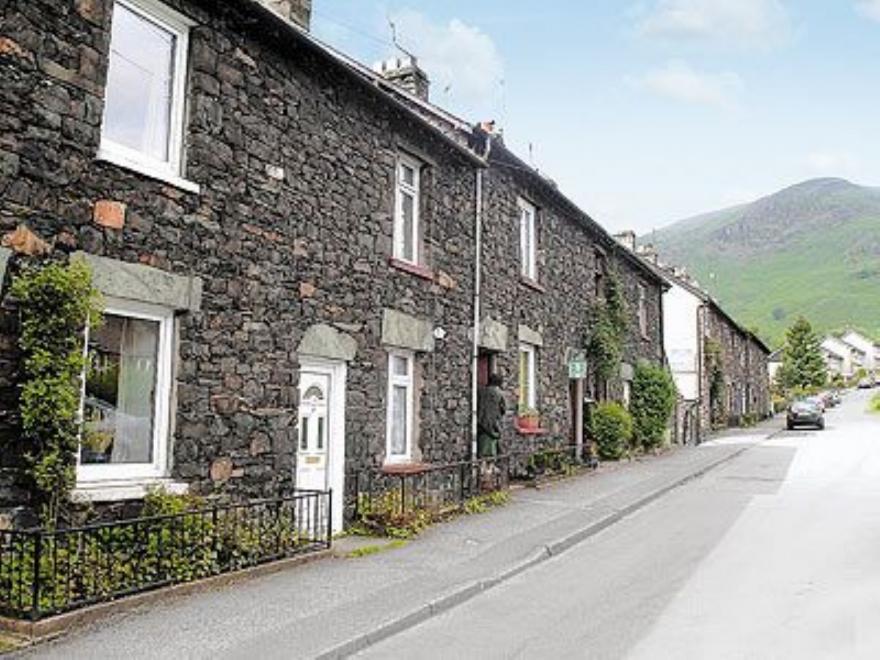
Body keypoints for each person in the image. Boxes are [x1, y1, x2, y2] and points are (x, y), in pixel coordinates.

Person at [477, 372, 506, 458]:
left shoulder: (481, 391)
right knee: (490, 455)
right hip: (493, 427)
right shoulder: (499, 394)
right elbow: (503, 409)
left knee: (482, 451)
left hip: (481, 425)